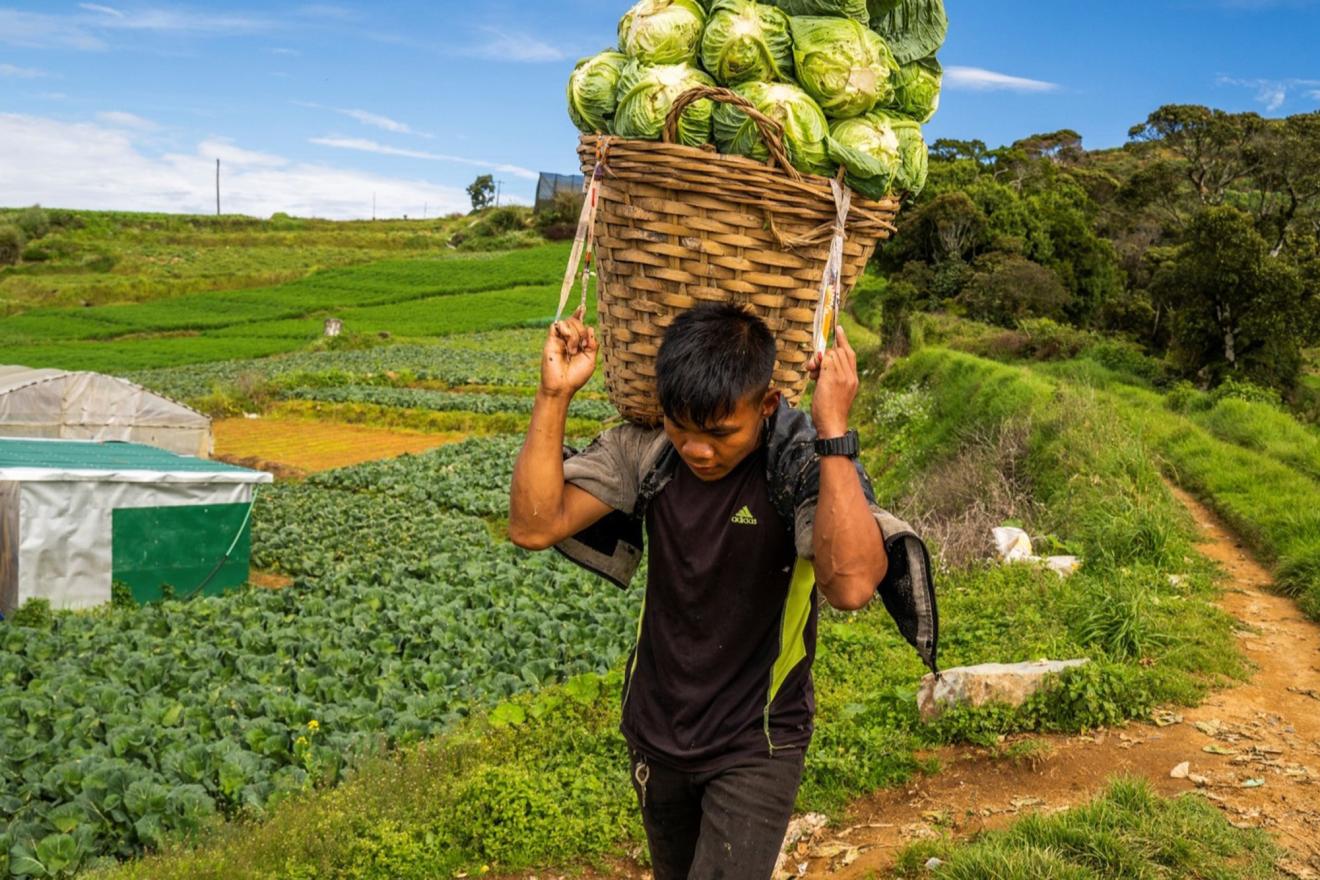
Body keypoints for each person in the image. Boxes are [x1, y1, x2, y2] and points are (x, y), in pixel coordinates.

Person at [508, 302, 937, 880]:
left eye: (719, 433)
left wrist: (833, 431)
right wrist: (554, 395)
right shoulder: (649, 451)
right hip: (655, 728)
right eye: (681, 428)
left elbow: (854, 585)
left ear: (765, 406)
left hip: (756, 738)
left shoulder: (799, 464)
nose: (698, 450)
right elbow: (534, 524)